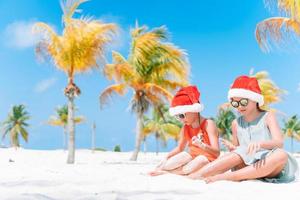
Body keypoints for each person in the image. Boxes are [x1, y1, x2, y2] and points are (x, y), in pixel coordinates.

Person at [188, 75, 299, 183]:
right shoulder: (235, 123)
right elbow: (237, 150)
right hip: (246, 164)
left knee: (281, 155)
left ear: (255, 100)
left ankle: (229, 177)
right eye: (235, 103)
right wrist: (233, 148)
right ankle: (198, 175)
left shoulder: (268, 116)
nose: (239, 106)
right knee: (240, 151)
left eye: (243, 102)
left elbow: (279, 143)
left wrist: (260, 144)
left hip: (268, 164)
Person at [149, 86, 220, 176]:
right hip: (192, 156)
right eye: (177, 116)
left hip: (208, 159)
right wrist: (166, 157)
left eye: (182, 115)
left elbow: (217, 153)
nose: (180, 120)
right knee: (168, 164)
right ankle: (166, 171)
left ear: (194, 110)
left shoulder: (209, 124)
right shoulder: (185, 127)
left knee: (196, 163)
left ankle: (167, 173)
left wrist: (202, 145)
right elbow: (180, 148)